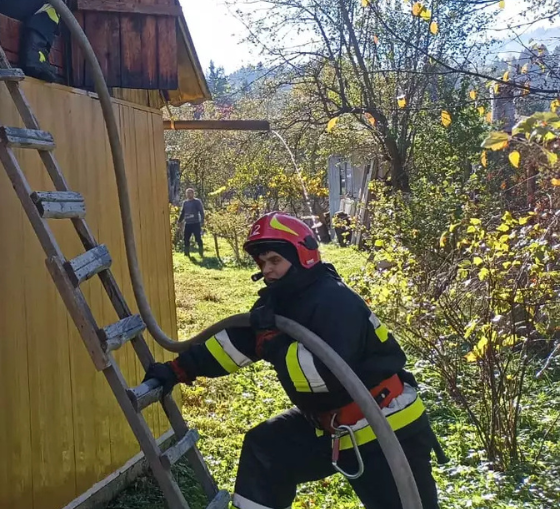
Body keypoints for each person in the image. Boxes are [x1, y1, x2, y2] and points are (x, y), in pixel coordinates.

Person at [144, 213, 442, 509]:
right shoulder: (281, 301)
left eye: (275, 260)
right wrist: (177, 370)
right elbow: (233, 345)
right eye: (262, 262)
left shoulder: (333, 302)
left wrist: (275, 347)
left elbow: (327, 376)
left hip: (386, 426)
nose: (267, 270)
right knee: (266, 449)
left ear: (302, 257)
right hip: (333, 426)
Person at [177, 188, 205, 257]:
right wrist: (179, 221)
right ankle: (186, 253)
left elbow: (201, 211)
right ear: (186, 194)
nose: (189, 194)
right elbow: (183, 212)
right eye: (187, 193)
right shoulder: (185, 203)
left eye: (190, 193)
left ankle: (201, 252)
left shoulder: (197, 201)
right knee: (186, 238)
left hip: (195, 223)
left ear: (193, 193)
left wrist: (202, 221)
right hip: (188, 224)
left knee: (198, 238)